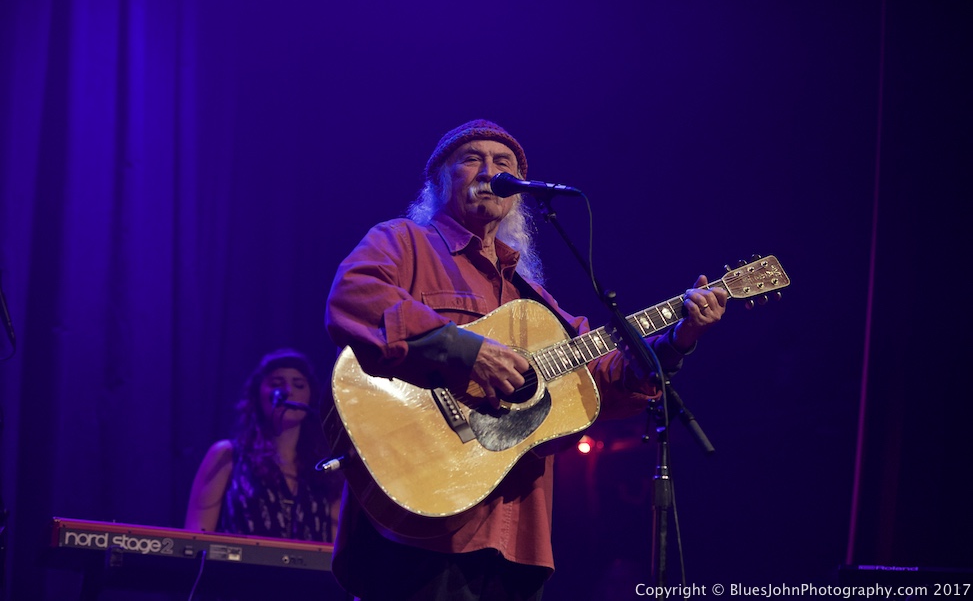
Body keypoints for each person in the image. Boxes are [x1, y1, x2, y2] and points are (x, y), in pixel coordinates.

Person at [324, 119, 728, 600]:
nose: (489, 170)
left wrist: (680, 338)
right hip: (422, 514)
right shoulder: (403, 242)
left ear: (518, 193)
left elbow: (605, 377)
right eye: (472, 158)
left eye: (504, 164)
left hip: (517, 537)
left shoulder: (533, 299)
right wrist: (467, 352)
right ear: (438, 180)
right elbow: (355, 298)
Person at [184, 348, 339, 542]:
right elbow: (196, 537)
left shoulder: (327, 466)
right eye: (276, 384)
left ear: (310, 396)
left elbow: (335, 544)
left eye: (298, 385)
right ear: (258, 394)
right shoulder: (227, 455)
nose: (288, 391)